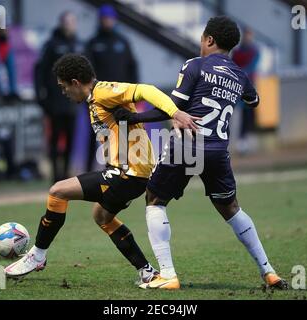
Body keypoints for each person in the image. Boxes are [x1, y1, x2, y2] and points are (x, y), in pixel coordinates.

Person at [113, 16, 288, 290]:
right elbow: (253, 101)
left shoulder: (195, 65)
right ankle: (269, 271)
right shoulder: (239, 74)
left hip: (187, 145)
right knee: (231, 209)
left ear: (209, 40)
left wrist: (133, 117)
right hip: (218, 150)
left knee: (155, 200)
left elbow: (171, 109)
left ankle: (168, 275)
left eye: (201, 39)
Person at [4, 54, 199, 285]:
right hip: (133, 174)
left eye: (63, 86)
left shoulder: (104, 91)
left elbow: (147, 90)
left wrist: (175, 113)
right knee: (102, 216)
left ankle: (37, 255)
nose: (64, 92)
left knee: (58, 191)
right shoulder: (94, 99)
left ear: (75, 82)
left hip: (128, 173)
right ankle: (147, 272)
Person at [84, 4, 138, 172]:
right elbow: (86, 71)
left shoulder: (123, 42)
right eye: (104, 19)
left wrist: (134, 95)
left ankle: (121, 168)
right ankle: (90, 169)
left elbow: (132, 68)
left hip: (120, 97)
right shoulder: (92, 43)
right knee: (97, 133)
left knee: (122, 132)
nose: (107, 21)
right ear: (100, 20)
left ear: (114, 20)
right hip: (98, 97)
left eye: (109, 18)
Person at [35, 12, 83, 182]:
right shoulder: (51, 45)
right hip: (55, 101)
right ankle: (55, 174)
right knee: (55, 138)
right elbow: (39, 71)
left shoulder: (79, 45)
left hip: (73, 102)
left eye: (72, 22)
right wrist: (40, 95)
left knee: (70, 139)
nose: (69, 25)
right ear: (61, 23)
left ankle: (66, 173)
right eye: (66, 22)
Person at [232, 27, 260, 155]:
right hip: (237, 86)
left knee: (247, 114)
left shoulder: (254, 51)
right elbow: (233, 65)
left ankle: (244, 140)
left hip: (248, 86)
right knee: (232, 113)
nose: (249, 38)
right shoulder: (237, 51)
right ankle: (235, 140)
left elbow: (252, 66)